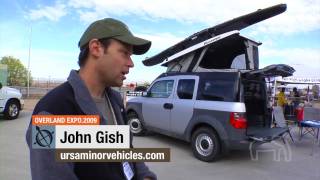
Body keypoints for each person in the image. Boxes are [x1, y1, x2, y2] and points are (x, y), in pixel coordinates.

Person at [26, 18, 156, 180]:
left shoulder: (115, 100)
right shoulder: (53, 112)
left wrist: (145, 176)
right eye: (124, 53)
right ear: (96, 48)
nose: (131, 63)